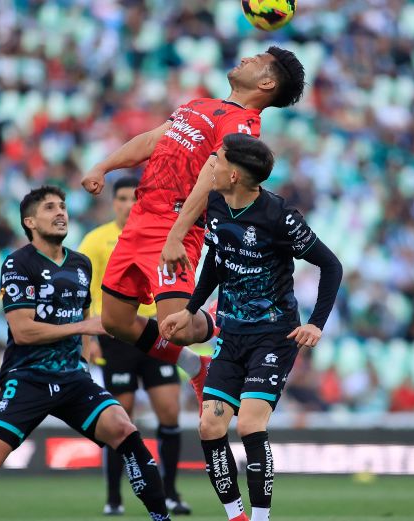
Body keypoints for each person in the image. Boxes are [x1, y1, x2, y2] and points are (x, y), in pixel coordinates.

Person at [0, 186, 172, 521]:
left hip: (73, 379)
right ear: (30, 221)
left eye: (62, 207)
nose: (60, 213)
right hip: (28, 378)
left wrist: (83, 362)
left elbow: (85, 315)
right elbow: (24, 331)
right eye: (49, 208)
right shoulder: (17, 263)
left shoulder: (80, 264)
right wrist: (82, 330)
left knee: (125, 432)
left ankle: (162, 518)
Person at [81, 47, 307, 408]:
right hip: (140, 218)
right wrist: (102, 167)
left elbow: (214, 176)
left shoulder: (243, 125)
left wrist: (175, 236)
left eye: (258, 60)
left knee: (179, 328)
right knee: (115, 320)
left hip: (174, 223)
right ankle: (196, 366)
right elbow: (153, 141)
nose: (247, 57)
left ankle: (225, 315)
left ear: (266, 82)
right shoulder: (198, 105)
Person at [161, 134, 343, 521]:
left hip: (274, 335)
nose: (211, 163)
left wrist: (316, 323)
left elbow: (332, 265)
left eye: (218, 160)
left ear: (233, 176)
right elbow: (218, 259)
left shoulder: (280, 217)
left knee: (248, 423)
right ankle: (237, 517)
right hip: (231, 334)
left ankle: (260, 520)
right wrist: (191, 309)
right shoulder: (214, 203)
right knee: (210, 426)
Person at [78, 177, 191, 516]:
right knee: (120, 418)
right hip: (115, 338)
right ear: (114, 203)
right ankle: (114, 497)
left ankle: (170, 492)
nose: (128, 204)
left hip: (155, 331)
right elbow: (83, 290)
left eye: (133, 198)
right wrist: (87, 337)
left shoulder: (160, 236)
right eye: (122, 198)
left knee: (169, 411)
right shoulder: (96, 240)